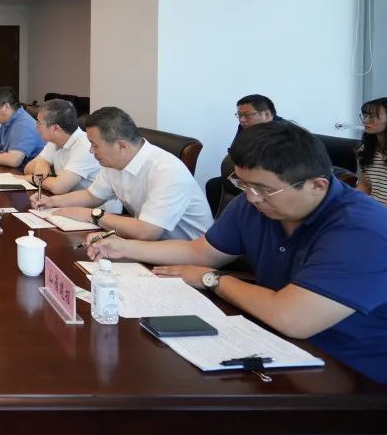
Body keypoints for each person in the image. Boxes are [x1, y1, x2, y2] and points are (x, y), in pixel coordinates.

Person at [87, 122, 387, 384]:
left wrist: (214, 279)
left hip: (352, 372)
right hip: (273, 342)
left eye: (263, 189)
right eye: (244, 184)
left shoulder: (362, 229)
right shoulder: (258, 202)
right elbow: (202, 252)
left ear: (317, 185)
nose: (252, 198)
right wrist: (123, 246)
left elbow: (292, 318)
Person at [34, 107, 212, 241]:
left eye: (95, 145)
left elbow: (147, 231)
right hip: (149, 245)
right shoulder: (113, 162)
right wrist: (52, 202)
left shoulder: (166, 170)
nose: (90, 151)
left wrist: (93, 215)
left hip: (187, 256)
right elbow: (92, 196)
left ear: (121, 145)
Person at [23, 99, 122, 214]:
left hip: (101, 211)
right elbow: (28, 168)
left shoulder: (85, 145)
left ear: (55, 128)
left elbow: (58, 187)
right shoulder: (54, 141)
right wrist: (42, 164)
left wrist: (33, 178)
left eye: (39, 123)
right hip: (72, 203)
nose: (36, 127)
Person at [206, 94, 286, 216]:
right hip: (247, 175)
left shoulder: (284, 133)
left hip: (272, 182)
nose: (242, 120)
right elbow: (235, 152)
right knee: (214, 185)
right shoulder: (245, 127)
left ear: (267, 114)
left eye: (247, 115)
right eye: (240, 115)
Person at [357, 97, 387, 204]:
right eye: (365, 116)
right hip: (374, 208)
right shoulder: (365, 148)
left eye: (372, 117)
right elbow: (365, 185)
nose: (365, 121)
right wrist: (352, 200)